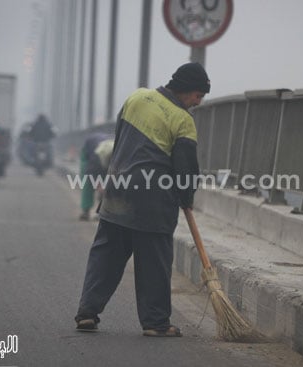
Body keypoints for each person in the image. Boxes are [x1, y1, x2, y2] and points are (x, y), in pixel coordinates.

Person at [75, 62, 210, 337]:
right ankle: (156, 323)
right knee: (154, 263)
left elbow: (120, 140)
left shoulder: (136, 97)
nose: (198, 102)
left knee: (105, 257)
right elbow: (185, 167)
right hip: (154, 202)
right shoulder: (182, 120)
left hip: (117, 191)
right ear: (186, 90)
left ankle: (87, 313)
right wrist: (186, 196)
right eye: (198, 95)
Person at [79, 132, 113, 221]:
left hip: (103, 155)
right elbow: (90, 172)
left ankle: (102, 213)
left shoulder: (118, 155)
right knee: (87, 184)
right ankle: (85, 212)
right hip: (88, 152)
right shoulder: (96, 156)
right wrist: (98, 185)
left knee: (107, 186)